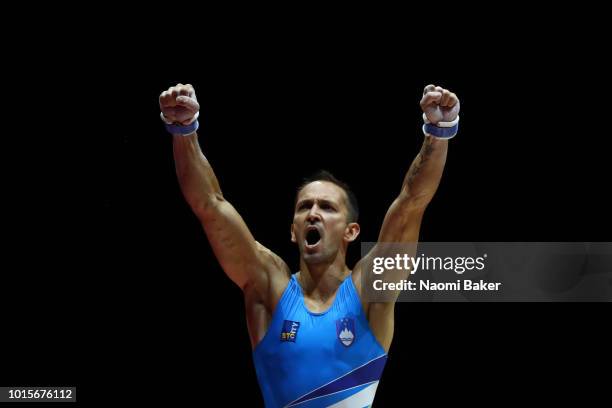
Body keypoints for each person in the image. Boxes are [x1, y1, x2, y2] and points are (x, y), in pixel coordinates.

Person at [159, 83, 460, 407]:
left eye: (327, 208)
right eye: (305, 207)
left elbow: (411, 203)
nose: (313, 213)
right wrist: (183, 130)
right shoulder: (269, 287)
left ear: (351, 231)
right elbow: (210, 205)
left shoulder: (369, 289)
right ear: (293, 230)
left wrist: (438, 133)